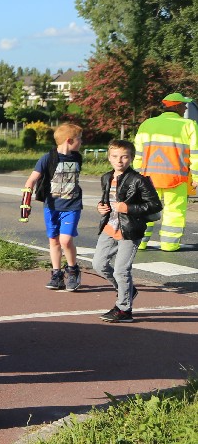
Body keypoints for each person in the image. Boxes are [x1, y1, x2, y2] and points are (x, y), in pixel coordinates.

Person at [94, 140, 162, 323]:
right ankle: (128, 290)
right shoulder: (106, 177)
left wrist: (128, 208)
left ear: (131, 158)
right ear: (109, 158)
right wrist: (101, 207)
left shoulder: (139, 180)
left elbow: (155, 205)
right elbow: (107, 200)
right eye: (115, 156)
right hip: (109, 227)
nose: (119, 160)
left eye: (124, 157)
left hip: (130, 230)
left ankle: (124, 309)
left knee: (121, 270)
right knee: (98, 265)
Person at [20, 123, 85, 291]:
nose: (81, 142)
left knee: (65, 240)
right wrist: (25, 204)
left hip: (72, 205)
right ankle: (57, 274)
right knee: (54, 240)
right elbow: (31, 180)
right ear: (69, 140)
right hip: (52, 206)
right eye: (79, 139)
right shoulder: (48, 158)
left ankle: (73, 270)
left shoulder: (77, 157)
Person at [133, 92, 198, 252]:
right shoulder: (189, 125)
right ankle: (169, 244)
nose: (185, 108)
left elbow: (138, 154)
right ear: (177, 106)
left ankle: (140, 243)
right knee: (174, 212)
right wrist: (196, 177)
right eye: (184, 105)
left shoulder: (147, 124)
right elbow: (196, 154)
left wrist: (136, 176)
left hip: (148, 178)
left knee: (146, 209)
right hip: (176, 179)